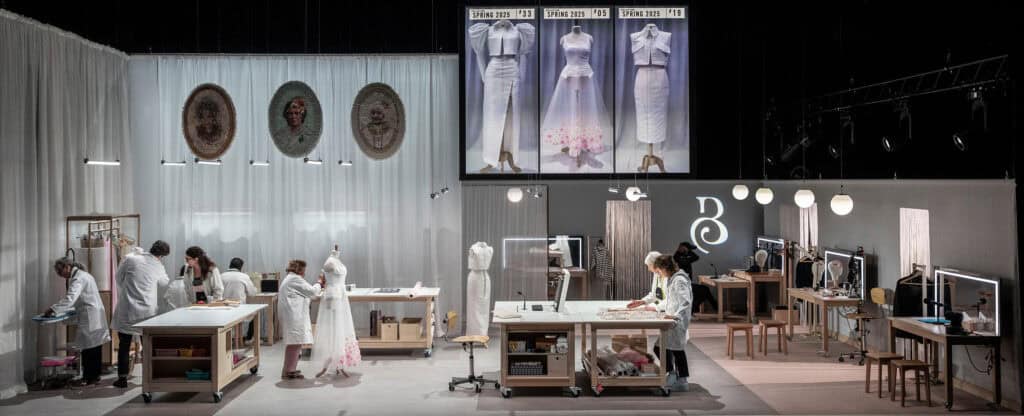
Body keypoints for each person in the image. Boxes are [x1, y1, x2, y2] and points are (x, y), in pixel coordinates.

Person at [111, 240, 170, 388]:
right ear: (162, 256)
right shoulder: (158, 265)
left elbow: (118, 278)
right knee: (147, 344)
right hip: (147, 311)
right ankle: (149, 376)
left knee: (124, 344)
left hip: (128, 309)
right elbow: (164, 283)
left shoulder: (131, 259)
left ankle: (122, 379)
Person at [44, 256, 110, 386]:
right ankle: (94, 376)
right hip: (93, 313)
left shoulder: (78, 278)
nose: (60, 275)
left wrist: (52, 309)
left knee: (87, 348)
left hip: (90, 315)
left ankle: (89, 377)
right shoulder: (85, 275)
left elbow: (70, 299)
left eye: (60, 271)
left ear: (67, 267)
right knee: (95, 347)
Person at [311, 248, 360, 378]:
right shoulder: (329, 263)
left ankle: (339, 359)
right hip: (333, 297)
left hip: (341, 296)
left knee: (341, 328)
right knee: (334, 330)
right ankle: (333, 360)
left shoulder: (336, 261)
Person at [650, 254, 692, 392]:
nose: (659, 274)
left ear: (664, 267)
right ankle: (675, 376)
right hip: (672, 319)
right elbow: (670, 301)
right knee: (670, 348)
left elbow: (685, 302)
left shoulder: (679, 280)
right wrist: (655, 308)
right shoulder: (673, 279)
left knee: (675, 349)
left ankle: (680, 379)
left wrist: (675, 317)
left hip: (676, 321)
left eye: (660, 271)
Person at [278, 260, 324, 380]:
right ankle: (288, 371)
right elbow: (312, 291)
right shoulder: (295, 279)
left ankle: (289, 369)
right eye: (304, 270)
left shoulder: (290, 278)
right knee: (295, 342)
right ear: (299, 270)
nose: (305, 273)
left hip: (292, 315)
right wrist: (319, 282)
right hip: (294, 315)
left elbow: (308, 293)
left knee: (295, 342)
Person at [221, 257, 258, 340]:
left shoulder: (221, 276)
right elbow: (252, 293)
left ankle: (231, 338)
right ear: (241, 267)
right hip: (239, 309)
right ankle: (248, 339)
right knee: (255, 313)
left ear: (230, 265)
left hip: (224, 310)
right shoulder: (244, 276)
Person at [675, 242, 716, 315]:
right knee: (705, 290)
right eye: (688, 249)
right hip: (683, 285)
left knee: (704, 291)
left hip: (687, 284)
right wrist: (685, 252)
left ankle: (693, 309)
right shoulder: (678, 257)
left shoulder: (685, 256)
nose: (689, 251)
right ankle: (717, 309)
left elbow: (696, 257)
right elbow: (685, 261)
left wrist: (687, 251)